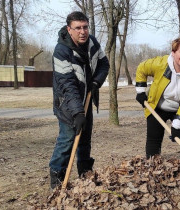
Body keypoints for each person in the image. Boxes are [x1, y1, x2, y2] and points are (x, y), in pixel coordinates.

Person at [49, 11, 109, 189]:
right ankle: (57, 178)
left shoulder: (92, 42)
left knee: (85, 139)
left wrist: (97, 80)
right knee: (68, 140)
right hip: (67, 102)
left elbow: (104, 63)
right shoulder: (61, 51)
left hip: (86, 98)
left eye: (85, 27)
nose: (83, 32)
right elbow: (67, 85)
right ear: (69, 29)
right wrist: (77, 112)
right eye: (78, 28)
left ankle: (85, 173)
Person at [135, 36, 180, 159]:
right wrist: (140, 90)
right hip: (157, 106)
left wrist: (178, 123)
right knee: (153, 140)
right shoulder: (160, 64)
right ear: (173, 53)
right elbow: (142, 68)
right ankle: (153, 169)